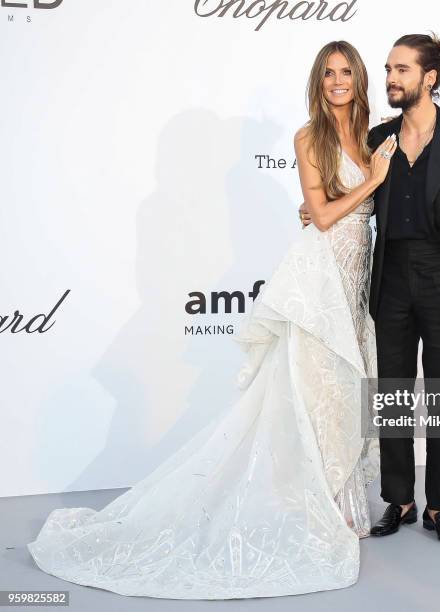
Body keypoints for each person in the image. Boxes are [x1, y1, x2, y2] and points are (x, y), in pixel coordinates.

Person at [26, 41, 396, 599]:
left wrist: (372, 182)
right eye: (328, 74)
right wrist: (372, 182)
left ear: (359, 79)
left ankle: (344, 508)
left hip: (356, 279)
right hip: (318, 279)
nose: (337, 82)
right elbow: (320, 215)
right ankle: (315, 511)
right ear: (318, 83)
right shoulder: (309, 137)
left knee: (345, 392)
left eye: (346, 73)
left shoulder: (370, 135)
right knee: (318, 395)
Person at [301, 33, 440, 546]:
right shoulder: (377, 139)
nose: (390, 78)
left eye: (401, 70)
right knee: (390, 393)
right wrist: (310, 208)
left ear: (429, 78)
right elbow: (347, 196)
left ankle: (439, 505)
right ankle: (400, 499)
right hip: (389, 278)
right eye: (388, 69)